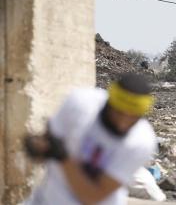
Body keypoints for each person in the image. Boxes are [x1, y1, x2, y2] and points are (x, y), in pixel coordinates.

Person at [23, 73, 157, 205]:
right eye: (118, 112)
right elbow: (47, 141)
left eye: (132, 117)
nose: (123, 123)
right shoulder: (81, 103)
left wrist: (64, 159)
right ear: (110, 101)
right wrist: (37, 147)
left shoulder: (141, 142)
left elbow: (93, 197)